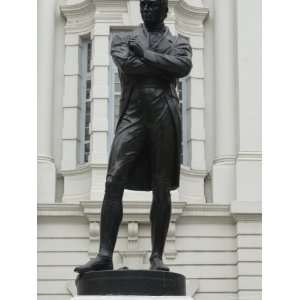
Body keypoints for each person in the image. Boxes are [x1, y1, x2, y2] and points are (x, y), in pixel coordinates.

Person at [74, 0, 192, 273]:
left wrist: (146, 56)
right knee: (114, 177)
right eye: (144, 6)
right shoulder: (125, 39)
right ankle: (104, 254)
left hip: (164, 111)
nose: (146, 10)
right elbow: (129, 66)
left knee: (161, 185)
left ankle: (157, 257)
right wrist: (163, 66)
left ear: (164, 10)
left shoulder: (179, 43)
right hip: (134, 111)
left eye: (152, 6)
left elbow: (183, 67)